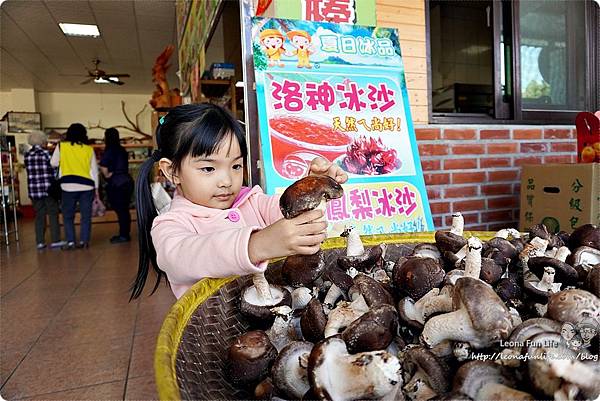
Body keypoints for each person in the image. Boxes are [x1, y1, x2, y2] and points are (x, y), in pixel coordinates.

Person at [131, 104, 347, 300]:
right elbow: (182, 257)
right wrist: (255, 245)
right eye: (208, 168)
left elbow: (288, 213)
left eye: (236, 166)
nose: (226, 181)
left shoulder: (252, 201)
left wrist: (310, 188)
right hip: (219, 332)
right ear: (172, 171)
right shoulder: (171, 225)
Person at [51, 123, 99, 250]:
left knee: (68, 215)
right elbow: (94, 171)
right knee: (85, 216)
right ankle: (84, 241)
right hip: (87, 186)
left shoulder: (61, 147)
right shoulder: (88, 149)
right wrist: (97, 189)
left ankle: (71, 241)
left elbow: (53, 163)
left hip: (67, 186)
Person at [23, 131, 65, 250]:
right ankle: (55, 240)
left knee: (39, 215)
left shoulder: (27, 155)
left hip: (34, 190)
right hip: (48, 189)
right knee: (53, 213)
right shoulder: (46, 154)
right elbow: (54, 168)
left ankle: (40, 241)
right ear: (42, 141)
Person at [99, 128, 134, 243]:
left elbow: (103, 168)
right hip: (127, 181)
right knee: (125, 209)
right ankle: (125, 233)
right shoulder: (122, 150)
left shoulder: (109, 151)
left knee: (120, 210)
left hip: (117, 183)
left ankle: (124, 235)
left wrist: (108, 175)